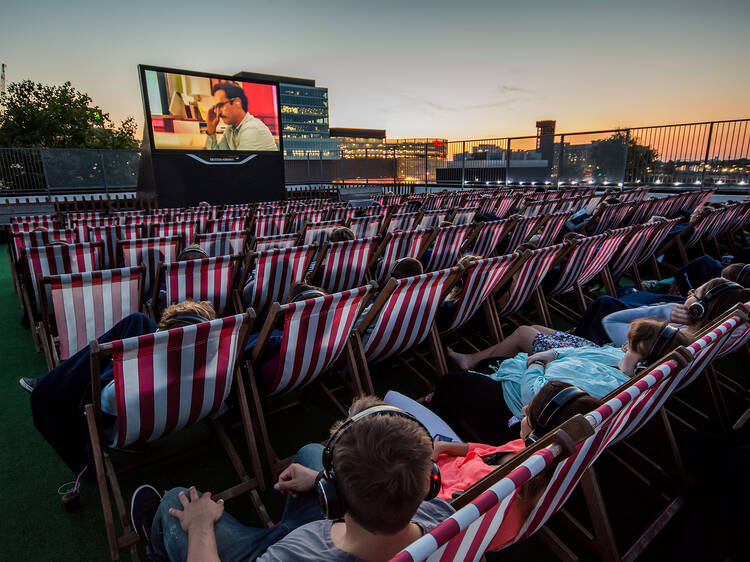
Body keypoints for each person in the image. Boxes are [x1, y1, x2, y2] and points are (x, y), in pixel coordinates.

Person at [133, 397, 454, 561]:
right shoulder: (442, 514)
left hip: (294, 543)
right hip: (343, 529)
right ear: (430, 482)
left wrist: (200, 526)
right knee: (312, 452)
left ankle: (158, 541)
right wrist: (318, 478)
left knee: (177, 501)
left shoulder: (291, 557)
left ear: (335, 494)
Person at [24, 300, 217, 474]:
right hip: (175, 406)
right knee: (138, 322)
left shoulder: (120, 391)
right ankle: (50, 383)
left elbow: (106, 402)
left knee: (135, 322)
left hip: (127, 420)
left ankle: (49, 385)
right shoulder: (217, 371)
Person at [432, 319, 691, 444]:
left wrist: (535, 362)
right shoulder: (619, 362)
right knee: (486, 365)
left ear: (644, 363)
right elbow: (576, 352)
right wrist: (551, 354)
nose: (623, 347)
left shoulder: (605, 385)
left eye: (631, 348)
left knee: (450, 384)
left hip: (519, 415)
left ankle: (443, 428)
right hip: (524, 376)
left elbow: (534, 400)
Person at [204, 82, 277, 151]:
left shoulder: (252, 129)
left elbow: (239, 163)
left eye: (221, 105)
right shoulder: (230, 129)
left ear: (237, 102)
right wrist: (211, 129)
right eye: (217, 107)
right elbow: (217, 157)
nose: (218, 113)